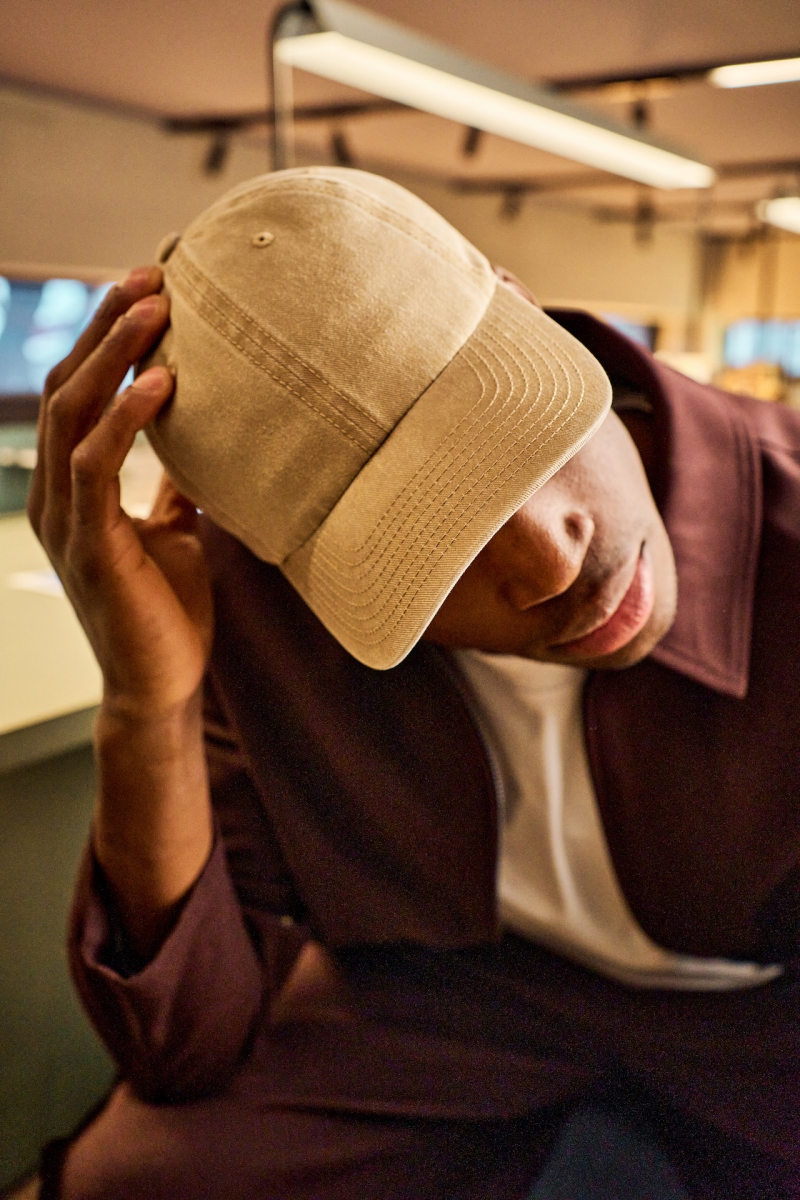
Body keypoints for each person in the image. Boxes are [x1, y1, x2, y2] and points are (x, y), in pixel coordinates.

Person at [28, 169, 800, 1199]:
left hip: (766, 1012)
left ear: (524, 308)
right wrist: (145, 706)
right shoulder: (252, 611)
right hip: (457, 999)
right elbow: (184, 1051)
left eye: (524, 435)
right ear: (296, 579)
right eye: (426, 552)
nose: (551, 561)